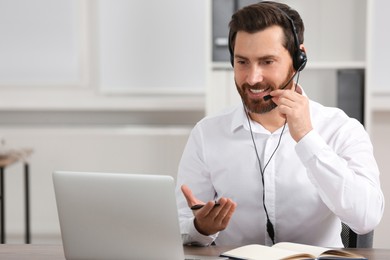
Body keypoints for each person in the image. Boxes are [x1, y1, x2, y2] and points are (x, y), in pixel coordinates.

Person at [175, 1, 384, 247]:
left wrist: (308, 138)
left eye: (267, 62)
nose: (252, 78)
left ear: (299, 59)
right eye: (242, 62)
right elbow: (182, 227)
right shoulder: (206, 134)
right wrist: (201, 228)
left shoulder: (340, 129)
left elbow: (366, 218)